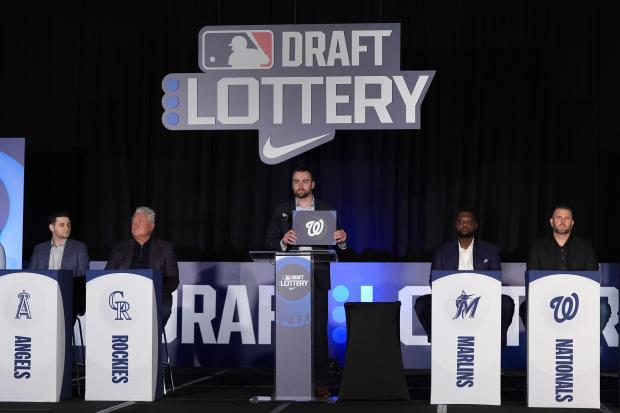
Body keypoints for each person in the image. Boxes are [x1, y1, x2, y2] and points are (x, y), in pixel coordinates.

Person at [265, 167, 347, 400]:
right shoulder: (282, 211)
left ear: (313, 185)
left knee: (318, 332)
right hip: (290, 277)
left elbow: (340, 243)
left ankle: (321, 382)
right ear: (292, 185)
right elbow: (269, 242)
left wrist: (341, 240)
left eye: (305, 181)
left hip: (318, 276)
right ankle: (289, 380)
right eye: (296, 182)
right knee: (290, 329)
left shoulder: (326, 210)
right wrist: (283, 241)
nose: (300, 185)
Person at [414, 208, 515, 346]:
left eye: (469, 222)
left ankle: (496, 345)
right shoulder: (441, 251)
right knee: (422, 304)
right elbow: (434, 280)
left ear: (475, 225)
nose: (465, 225)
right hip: (449, 298)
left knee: (506, 303)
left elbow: (495, 280)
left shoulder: (491, 250)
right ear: (456, 225)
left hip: (482, 298)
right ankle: (437, 341)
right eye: (461, 222)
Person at [519, 205, 610, 331]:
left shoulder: (586, 247)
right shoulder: (537, 247)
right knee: (525, 307)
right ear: (552, 221)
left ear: (572, 223)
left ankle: (587, 345)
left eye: (567, 218)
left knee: (603, 307)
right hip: (546, 300)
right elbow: (532, 280)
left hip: (580, 300)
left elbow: (592, 280)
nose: (563, 221)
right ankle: (540, 347)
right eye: (559, 218)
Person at [105, 206, 179, 327]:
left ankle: (149, 343)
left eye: (140, 221)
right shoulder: (119, 248)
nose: (135, 225)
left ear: (151, 226)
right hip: (123, 298)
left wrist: (154, 293)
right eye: (133, 222)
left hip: (153, 297)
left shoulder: (165, 248)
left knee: (161, 310)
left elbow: (173, 279)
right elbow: (106, 275)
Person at [28, 211, 90, 319]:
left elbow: (81, 279)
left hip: (68, 301)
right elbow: (31, 276)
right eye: (62, 225)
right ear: (51, 227)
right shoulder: (39, 249)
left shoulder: (79, 248)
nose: (66, 228)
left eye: (68, 225)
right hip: (42, 299)